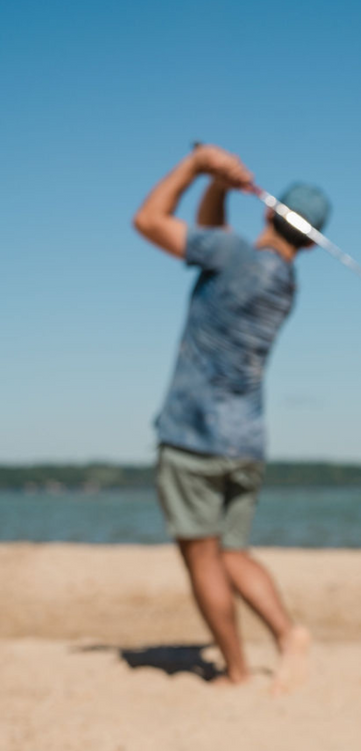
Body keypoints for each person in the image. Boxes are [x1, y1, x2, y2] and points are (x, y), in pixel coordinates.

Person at [133, 143, 329, 692]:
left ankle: (237, 671)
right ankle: (288, 635)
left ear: (269, 213)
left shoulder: (232, 255)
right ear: (311, 243)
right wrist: (220, 185)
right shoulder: (285, 284)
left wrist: (197, 168)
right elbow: (210, 237)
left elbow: (148, 220)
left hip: (192, 435)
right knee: (235, 554)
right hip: (246, 440)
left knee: (203, 560)